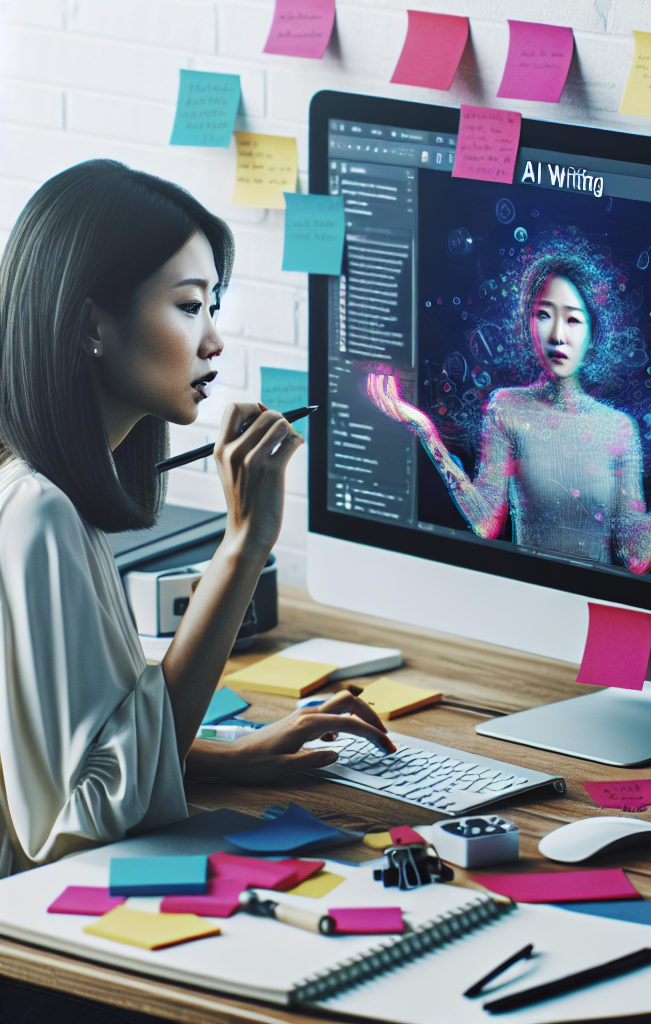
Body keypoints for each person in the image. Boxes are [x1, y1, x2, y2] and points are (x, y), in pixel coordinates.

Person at [0, 160, 395, 880]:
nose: (214, 342)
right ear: (91, 325)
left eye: (214, 305)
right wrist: (243, 545)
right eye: (189, 307)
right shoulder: (37, 512)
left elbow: (55, 762)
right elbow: (77, 826)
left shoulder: (35, 484)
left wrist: (213, 756)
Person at [367, 244, 651, 574]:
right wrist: (425, 430)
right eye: (544, 314)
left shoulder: (619, 429)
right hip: (524, 600)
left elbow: (636, 554)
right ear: (528, 322)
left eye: (573, 319)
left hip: (595, 606)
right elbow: (485, 522)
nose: (557, 335)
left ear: (592, 332)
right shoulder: (507, 408)